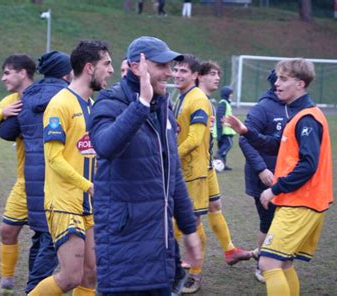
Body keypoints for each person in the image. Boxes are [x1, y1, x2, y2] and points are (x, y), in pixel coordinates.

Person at [89, 36, 201, 295]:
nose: (169, 73)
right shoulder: (110, 102)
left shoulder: (163, 108)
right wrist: (140, 105)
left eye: (171, 66)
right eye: (161, 65)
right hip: (123, 246)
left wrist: (188, 228)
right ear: (136, 67)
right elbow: (105, 146)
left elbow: (172, 173)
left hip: (159, 245)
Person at [224, 58, 333, 296]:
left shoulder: (307, 118)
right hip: (300, 202)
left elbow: (308, 165)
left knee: (269, 263)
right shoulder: (299, 116)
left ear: (301, 84)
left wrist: (275, 189)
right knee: (283, 263)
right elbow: (277, 146)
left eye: (284, 79)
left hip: (302, 202)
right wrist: (246, 131)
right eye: (278, 79)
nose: (277, 84)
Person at [28, 40, 114, 296]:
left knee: (91, 275)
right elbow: (53, 158)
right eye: (106, 64)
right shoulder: (60, 104)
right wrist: (89, 186)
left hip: (89, 204)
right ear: (89, 68)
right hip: (65, 202)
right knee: (70, 276)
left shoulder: (91, 106)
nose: (111, 70)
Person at [172, 57, 251, 294]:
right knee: (199, 214)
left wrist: (169, 157)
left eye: (182, 71)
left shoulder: (196, 99)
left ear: (194, 74)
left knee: (194, 220)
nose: (176, 74)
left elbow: (194, 140)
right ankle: (221, 251)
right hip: (196, 168)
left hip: (194, 170)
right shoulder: (184, 96)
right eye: (175, 70)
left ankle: (194, 274)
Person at [0, 50, 74, 294]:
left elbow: (7, 132)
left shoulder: (28, 97)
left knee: (41, 236)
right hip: (59, 181)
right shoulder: (69, 96)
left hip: (32, 180)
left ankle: (34, 285)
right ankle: (34, 290)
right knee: (52, 241)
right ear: (66, 73)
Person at [0, 54, 39, 295]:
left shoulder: (44, 96)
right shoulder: (8, 101)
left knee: (54, 237)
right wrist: (1, 113)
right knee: (7, 231)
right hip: (24, 181)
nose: (3, 78)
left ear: (22, 73)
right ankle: (6, 285)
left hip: (51, 179)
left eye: (7, 72)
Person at [238, 70, 286, 283]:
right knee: (268, 222)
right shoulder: (263, 108)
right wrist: (261, 169)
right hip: (265, 177)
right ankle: (262, 265)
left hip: (288, 177)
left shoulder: (297, 107)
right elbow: (245, 139)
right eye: (281, 79)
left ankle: (278, 260)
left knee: (284, 222)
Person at [215, 85, 235, 170]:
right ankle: (218, 155)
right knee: (228, 145)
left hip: (226, 130)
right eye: (230, 94)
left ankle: (223, 164)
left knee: (223, 147)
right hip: (224, 131)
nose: (232, 95)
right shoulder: (223, 103)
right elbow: (219, 118)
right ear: (226, 94)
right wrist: (219, 133)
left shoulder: (226, 103)